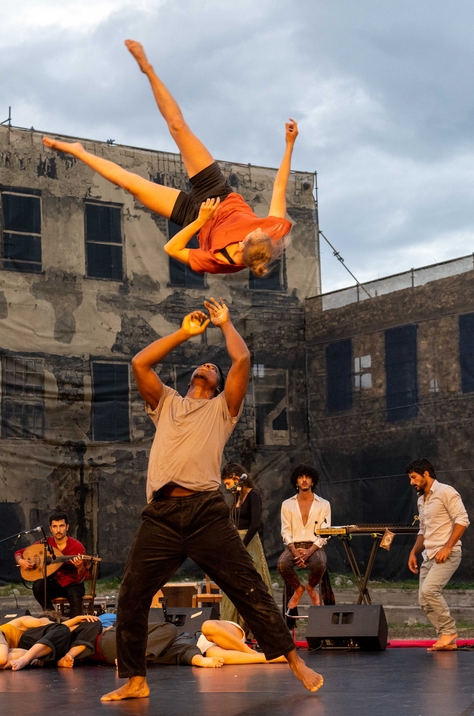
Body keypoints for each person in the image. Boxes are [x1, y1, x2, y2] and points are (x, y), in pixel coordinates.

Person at [102, 298, 322, 701]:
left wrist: (225, 324)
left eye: (215, 369)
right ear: (190, 376)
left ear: (219, 385)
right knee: (131, 594)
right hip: (161, 516)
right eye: (204, 365)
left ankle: (293, 660)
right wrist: (185, 332)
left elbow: (242, 360)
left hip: (205, 512)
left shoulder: (224, 409)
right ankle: (135, 679)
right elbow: (139, 364)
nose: (209, 366)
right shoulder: (167, 402)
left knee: (248, 586)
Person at [42, 40, 296, 278]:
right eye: (256, 232)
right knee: (177, 126)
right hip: (217, 192)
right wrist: (289, 145)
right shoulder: (273, 230)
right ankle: (148, 69)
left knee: (130, 184)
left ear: (242, 248)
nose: (254, 230)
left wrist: (202, 220)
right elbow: (279, 187)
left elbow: (172, 248)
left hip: (194, 217)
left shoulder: (216, 262)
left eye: (249, 237)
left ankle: (78, 151)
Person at [405, 458, 470, 652]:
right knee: (423, 599)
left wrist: (448, 547)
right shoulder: (421, 500)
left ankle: (449, 631)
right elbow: (423, 530)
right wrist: (413, 552)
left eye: (414, 477)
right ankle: (447, 638)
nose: (412, 482)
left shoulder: (446, 492)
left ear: (426, 473)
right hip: (429, 555)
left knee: (430, 591)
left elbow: (463, 520)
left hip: (447, 553)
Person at [76, 618, 286, 669]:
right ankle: (270, 658)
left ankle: (251, 651)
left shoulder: (232, 627)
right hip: (195, 645)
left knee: (207, 627)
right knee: (211, 656)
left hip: (208, 635)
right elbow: (183, 651)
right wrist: (198, 660)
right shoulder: (171, 644)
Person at [220, 463, 273, 635]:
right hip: (235, 542)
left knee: (252, 581)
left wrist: (242, 545)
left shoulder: (253, 495)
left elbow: (255, 524)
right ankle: (234, 628)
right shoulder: (236, 498)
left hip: (248, 543)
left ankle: (258, 629)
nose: (228, 488)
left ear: (237, 477)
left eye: (228, 484)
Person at [14, 511, 91, 616]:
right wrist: (20, 561)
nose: (58, 530)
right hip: (53, 583)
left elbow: (83, 576)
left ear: (67, 527)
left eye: (61, 526)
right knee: (38, 585)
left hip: (72, 584)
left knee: (75, 595)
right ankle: (51, 615)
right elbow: (20, 552)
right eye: (55, 526)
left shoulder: (77, 546)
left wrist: (80, 567)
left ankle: (76, 626)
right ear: (50, 528)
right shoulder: (45, 543)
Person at [278, 464, 332, 611]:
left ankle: (310, 587)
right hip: (294, 545)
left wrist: (309, 552)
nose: (304, 480)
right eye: (301, 477)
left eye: (307, 477)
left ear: (312, 481)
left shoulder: (323, 504)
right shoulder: (287, 504)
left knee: (319, 564)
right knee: (282, 564)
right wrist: (295, 551)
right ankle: (298, 588)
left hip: (314, 546)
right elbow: (285, 531)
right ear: (296, 482)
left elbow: (325, 533)